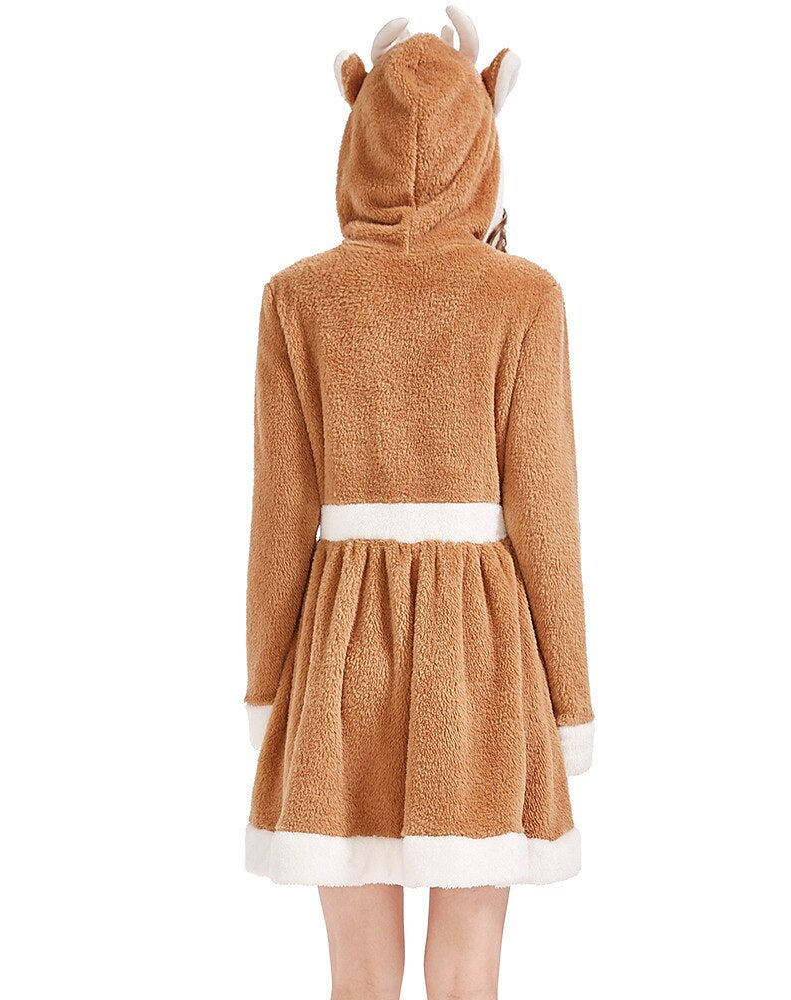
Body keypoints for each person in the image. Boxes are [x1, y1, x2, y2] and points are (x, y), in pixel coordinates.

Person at [244, 8, 595, 998]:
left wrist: (265, 687)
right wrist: (570, 704)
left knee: (358, 974)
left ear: (356, 133)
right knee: (468, 972)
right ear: (481, 135)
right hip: (480, 647)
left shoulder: (297, 297)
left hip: (340, 643)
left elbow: (279, 519)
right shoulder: (523, 296)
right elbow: (548, 522)